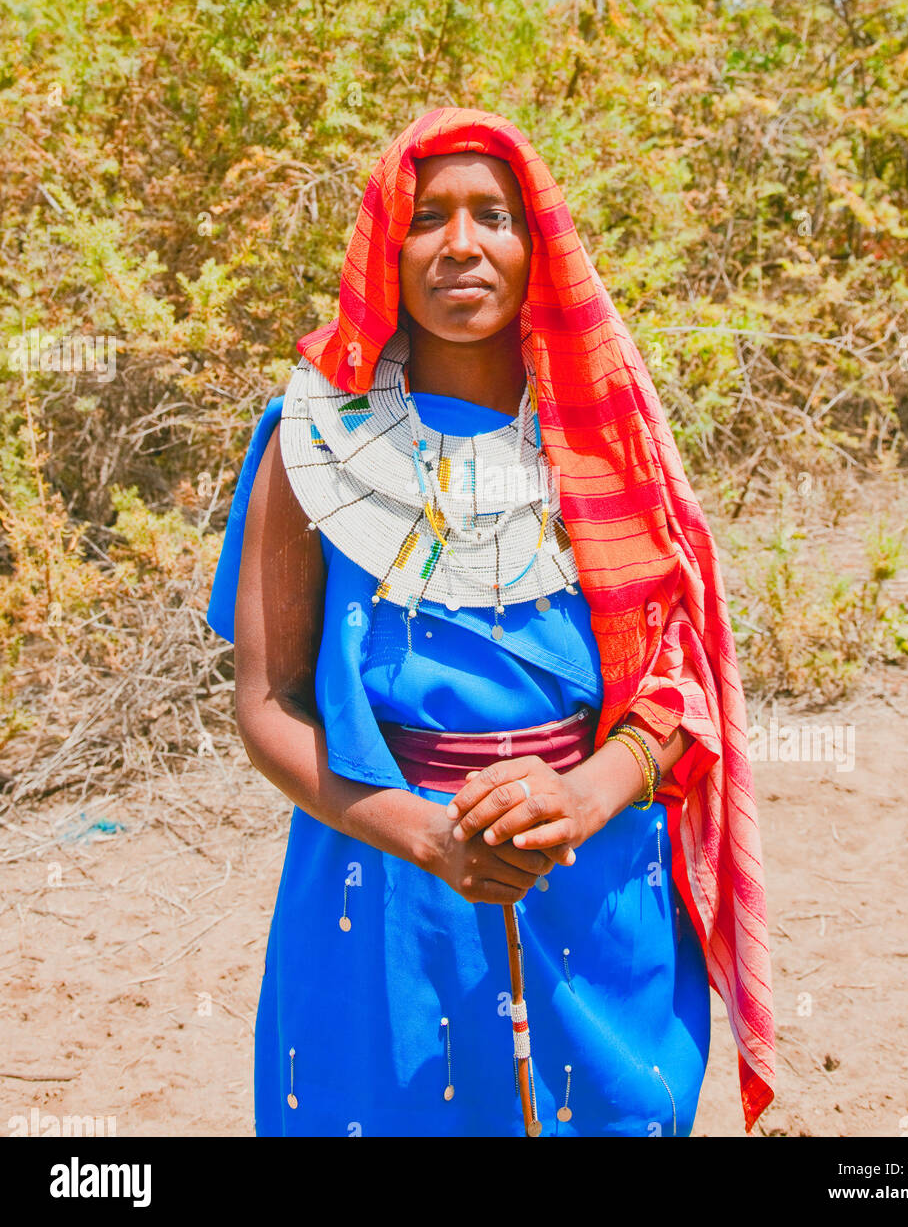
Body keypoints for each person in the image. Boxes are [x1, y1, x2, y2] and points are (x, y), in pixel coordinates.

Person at [206, 107, 774, 1137]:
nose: (460, 244)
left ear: (532, 246)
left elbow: (672, 691)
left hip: (591, 863)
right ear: (389, 244)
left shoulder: (606, 436)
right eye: (428, 217)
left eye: (492, 216)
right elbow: (267, 705)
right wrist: (426, 834)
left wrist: (585, 795)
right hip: (381, 878)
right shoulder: (311, 440)